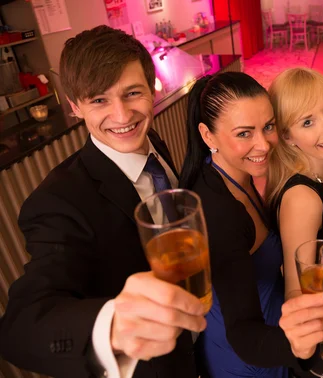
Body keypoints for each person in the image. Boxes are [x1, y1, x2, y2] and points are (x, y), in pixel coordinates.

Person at [0, 26, 206, 378]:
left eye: (132, 93)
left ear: (152, 89)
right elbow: (19, 329)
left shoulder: (151, 141)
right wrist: (110, 327)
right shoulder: (58, 202)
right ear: (75, 106)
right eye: (99, 100)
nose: (123, 116)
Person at [179, 72, 323, 377]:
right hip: (251, 359)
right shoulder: (220, 213)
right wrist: (298, 346)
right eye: (244, 133)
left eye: (268, 127)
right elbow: (242, 333)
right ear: (208, 136)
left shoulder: (233, 176)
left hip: (273, 332)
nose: (264, 144)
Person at [266, 67, 323, 378]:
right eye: (308, 122)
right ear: (287, 137)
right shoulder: (303, 198)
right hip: (321, 343)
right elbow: (296, 293)